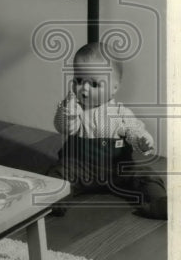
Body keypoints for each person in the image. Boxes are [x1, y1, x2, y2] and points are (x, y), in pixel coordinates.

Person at [50, 41, 166, 219]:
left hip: (116, 169)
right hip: (78, 168)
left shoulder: (120, 113)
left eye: (94, 84)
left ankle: (159, 202)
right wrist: (67, 111)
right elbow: (64, 128)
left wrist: (141, 140)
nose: (84, 88)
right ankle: (55, 202)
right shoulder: (75, 110)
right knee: (57, 174)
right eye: (79, 81)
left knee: (145, 174)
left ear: (114, 88)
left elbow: (133, 129)